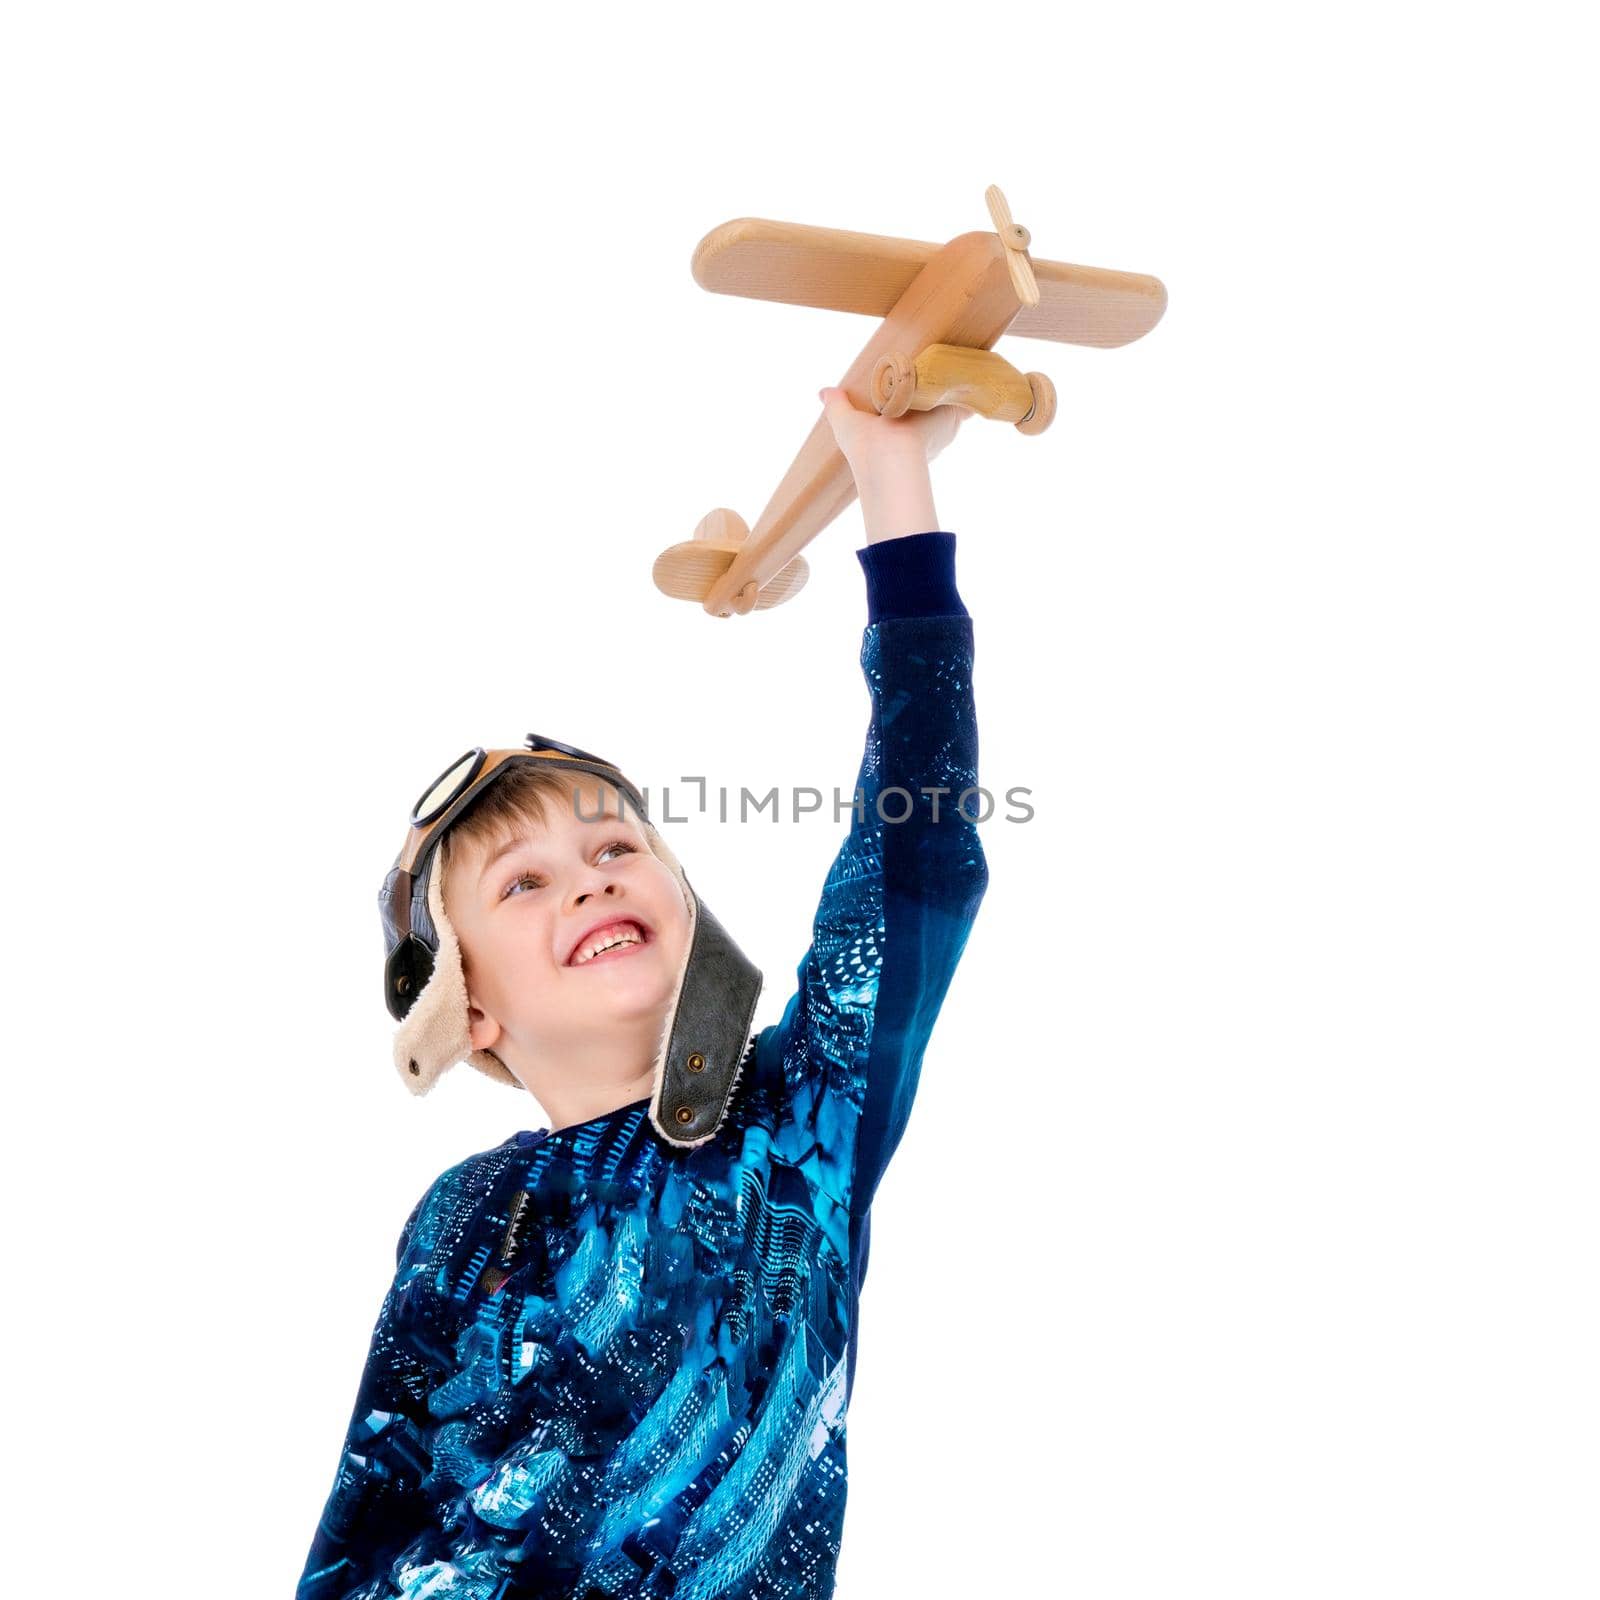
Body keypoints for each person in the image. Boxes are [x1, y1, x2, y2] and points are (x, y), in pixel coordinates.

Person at [296, 387, 988, 1599]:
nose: (589, 881)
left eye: (617, 848)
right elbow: (371, 1513)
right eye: (523, 884)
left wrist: (892, 488)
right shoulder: (466, 1217)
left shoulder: (800, 1120)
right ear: (472, 1012)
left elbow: (913, 861)